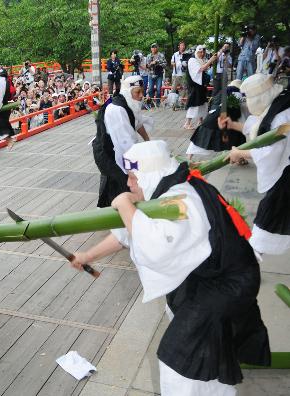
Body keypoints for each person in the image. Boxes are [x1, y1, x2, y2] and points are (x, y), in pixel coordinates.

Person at [73, 140, 271, 396]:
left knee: (179, 360)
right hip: (211, 277)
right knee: (197, 345)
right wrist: (88, 254)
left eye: (133, 177)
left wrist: (123, 205)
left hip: (226, 285)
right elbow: (129, 233)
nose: (129, 184)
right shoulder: (168, 188)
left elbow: (155, 246)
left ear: (148, 174)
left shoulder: (181, 199)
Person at [223, 74, 290, 256]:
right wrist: (233, 125)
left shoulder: (281, 117)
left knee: (270, 213)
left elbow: (271, 152)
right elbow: (257, 127)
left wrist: (239, 153)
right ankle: (255, 250)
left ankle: (253, 252)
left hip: (285, 174)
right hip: (283, 172)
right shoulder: (276, 105)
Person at [93, 75, 151, 208]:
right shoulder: (117, 109)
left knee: (119, 181)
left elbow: (137, 122)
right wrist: (135, 168)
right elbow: (125, 145)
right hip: (106, 151)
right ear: (128, 91)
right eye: (138, 92)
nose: (141, 96)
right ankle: (113, 214)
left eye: (142, 91)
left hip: (115, 146)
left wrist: (148, 141)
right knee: (120, 180)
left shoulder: (128, 102)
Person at [186, 80, 246, 160]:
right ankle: (239, 158)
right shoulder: (237, 93)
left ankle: (188, 158)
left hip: (211, 119)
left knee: (199, 140)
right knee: (238, 137)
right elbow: (238, 113)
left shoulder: (222, 92)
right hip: (223, 120)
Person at [183, 45, 217, 130]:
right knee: (194, 104)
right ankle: (187, 123)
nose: (202, 54)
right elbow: (200, 69)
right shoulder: (192, 60)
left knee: (202, 103)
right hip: (194, 86)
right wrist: (210, 61)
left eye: (203, 52)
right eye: (200, 52)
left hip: (200, 85)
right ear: (196, 52)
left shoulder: (200, 60)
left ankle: (201, 120)